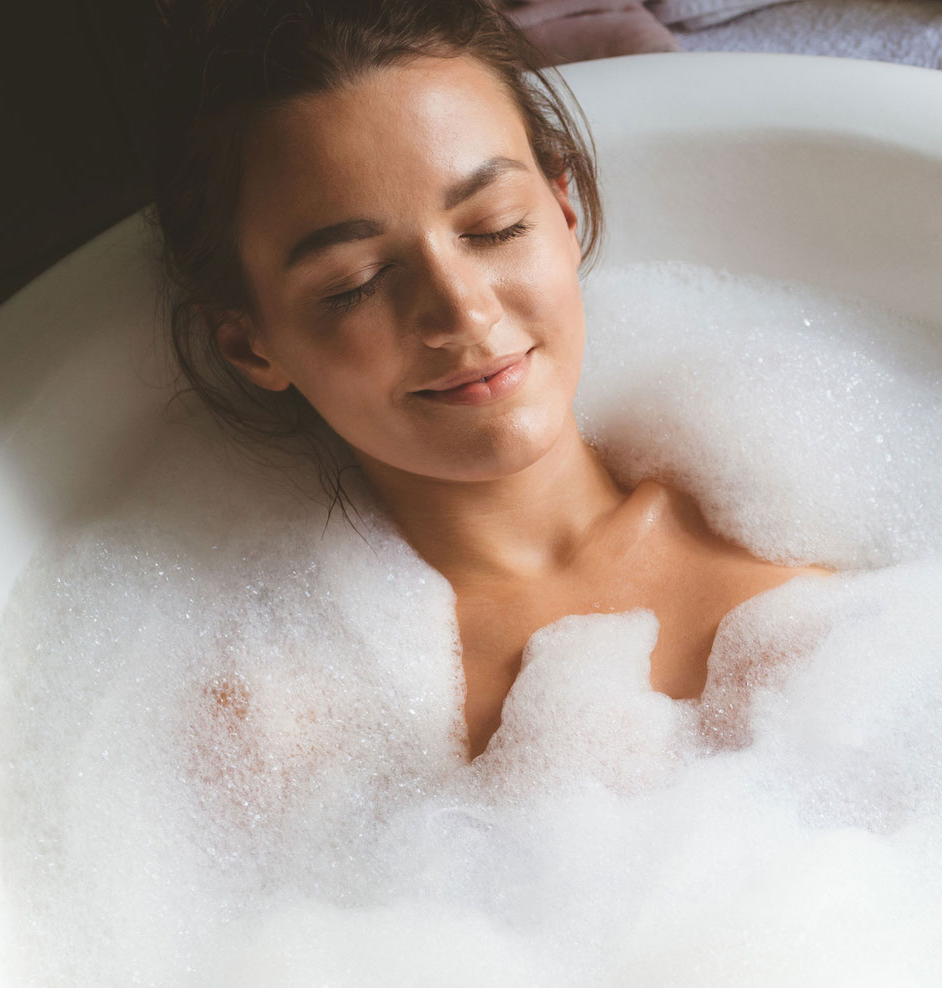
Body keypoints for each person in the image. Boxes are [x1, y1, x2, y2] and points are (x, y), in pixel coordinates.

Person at [150, 0, 831, 761]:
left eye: (494, 227)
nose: (463, 311)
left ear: (564, 210)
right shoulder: (295, 731)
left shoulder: (827, 518)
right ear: (251, 346)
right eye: (356, 281)